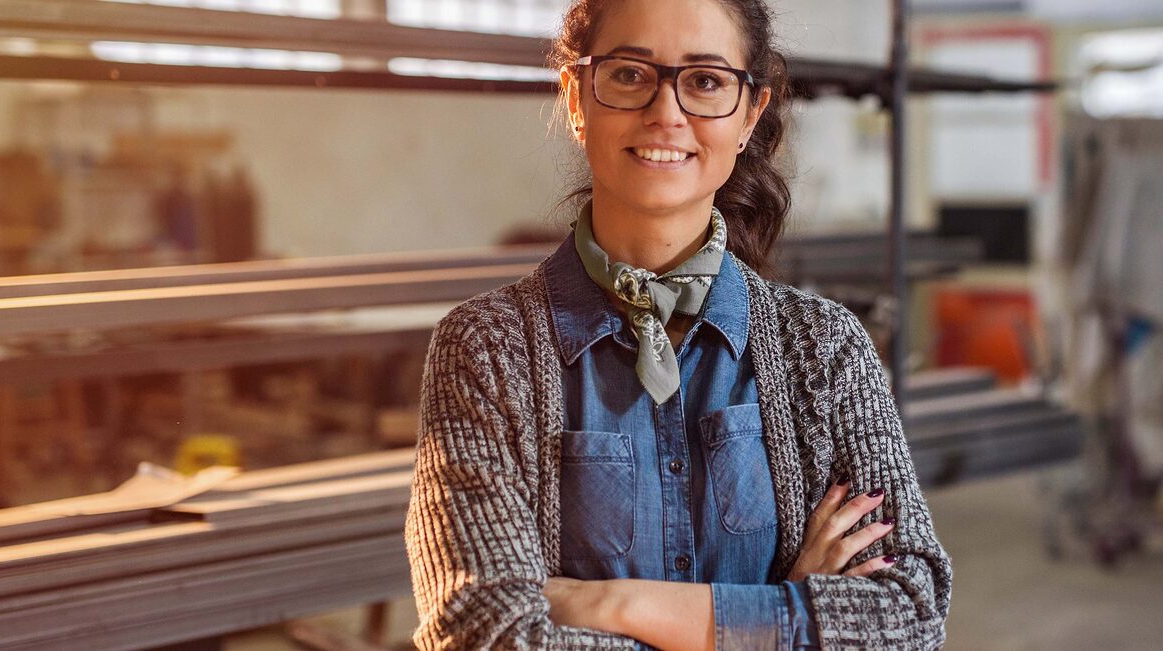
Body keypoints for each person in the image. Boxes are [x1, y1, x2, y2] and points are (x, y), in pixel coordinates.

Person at [403, 0, 952, 648]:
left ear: (751, 113)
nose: (667, 113)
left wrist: (612, 601)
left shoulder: (824, 349)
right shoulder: (488, 350)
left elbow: (909, 617)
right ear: (577, 98)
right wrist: (780, 614)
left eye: (706, 81)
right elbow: (482, 633)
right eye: (631, 74)